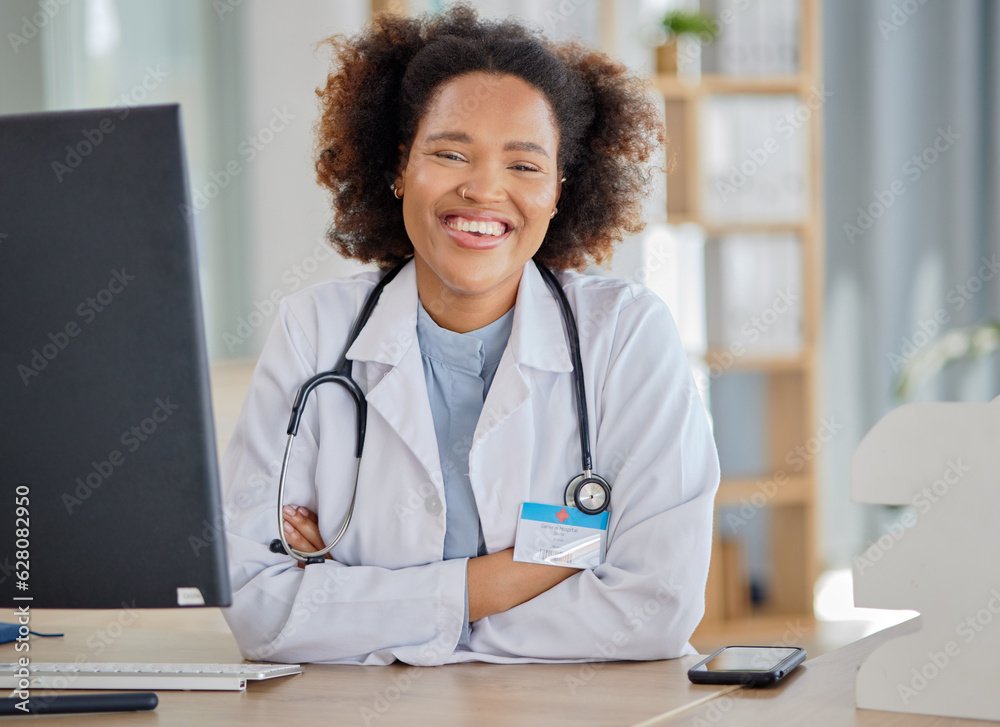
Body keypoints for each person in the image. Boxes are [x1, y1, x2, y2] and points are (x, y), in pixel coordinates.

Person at [221, 3, 720, 666]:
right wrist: (548, 564)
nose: (484, 189)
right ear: (400, 168)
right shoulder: (315, 330)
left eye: (524, 165)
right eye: (451, 152)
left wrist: (361, 602)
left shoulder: (626, 336)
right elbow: (256, 603)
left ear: (559, 191)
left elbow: (654, 605)